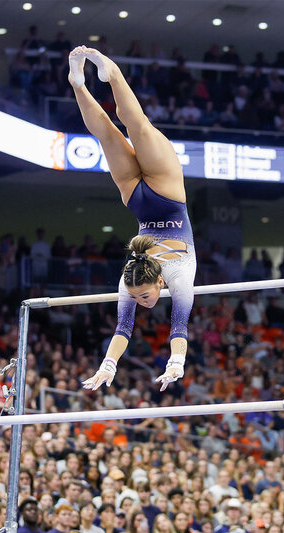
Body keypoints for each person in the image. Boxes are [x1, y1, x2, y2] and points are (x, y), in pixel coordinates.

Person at [68, 46, 196, 393]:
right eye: (142, 298)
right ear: (160, 284)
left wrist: (108, 366)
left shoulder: (132, 277)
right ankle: (92, 79)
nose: (142, 302)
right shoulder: (179, 275)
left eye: (140, 298)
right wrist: (175, 362)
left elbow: (124, 328)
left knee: (121, 130)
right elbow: (178, 327)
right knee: (124, 129)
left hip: (144, 197)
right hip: (162, 192)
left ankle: (91, 79)